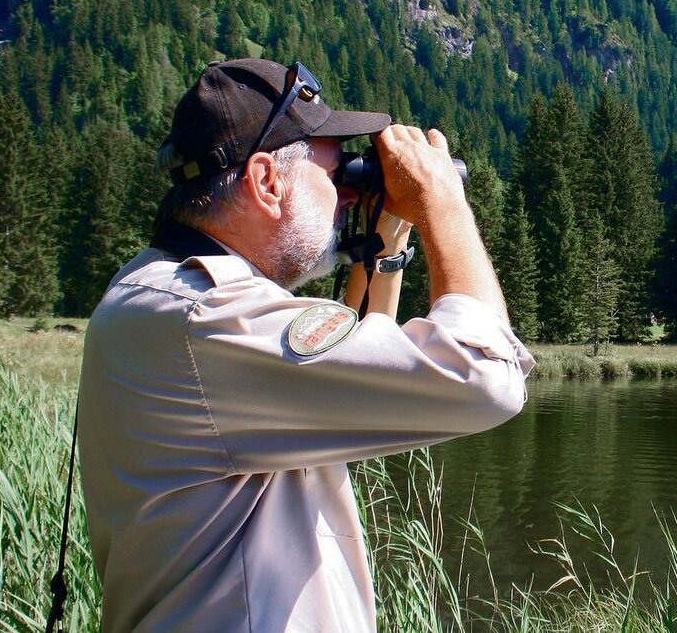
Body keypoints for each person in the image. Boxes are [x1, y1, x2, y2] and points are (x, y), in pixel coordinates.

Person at [76, 58, 534, 632]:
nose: (344, 193)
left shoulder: (167, 300)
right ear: (267, 181)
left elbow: (356, 366)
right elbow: (485, 379)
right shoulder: (203, 318)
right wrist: (444, 200)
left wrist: (386, 239)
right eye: (333, 172)